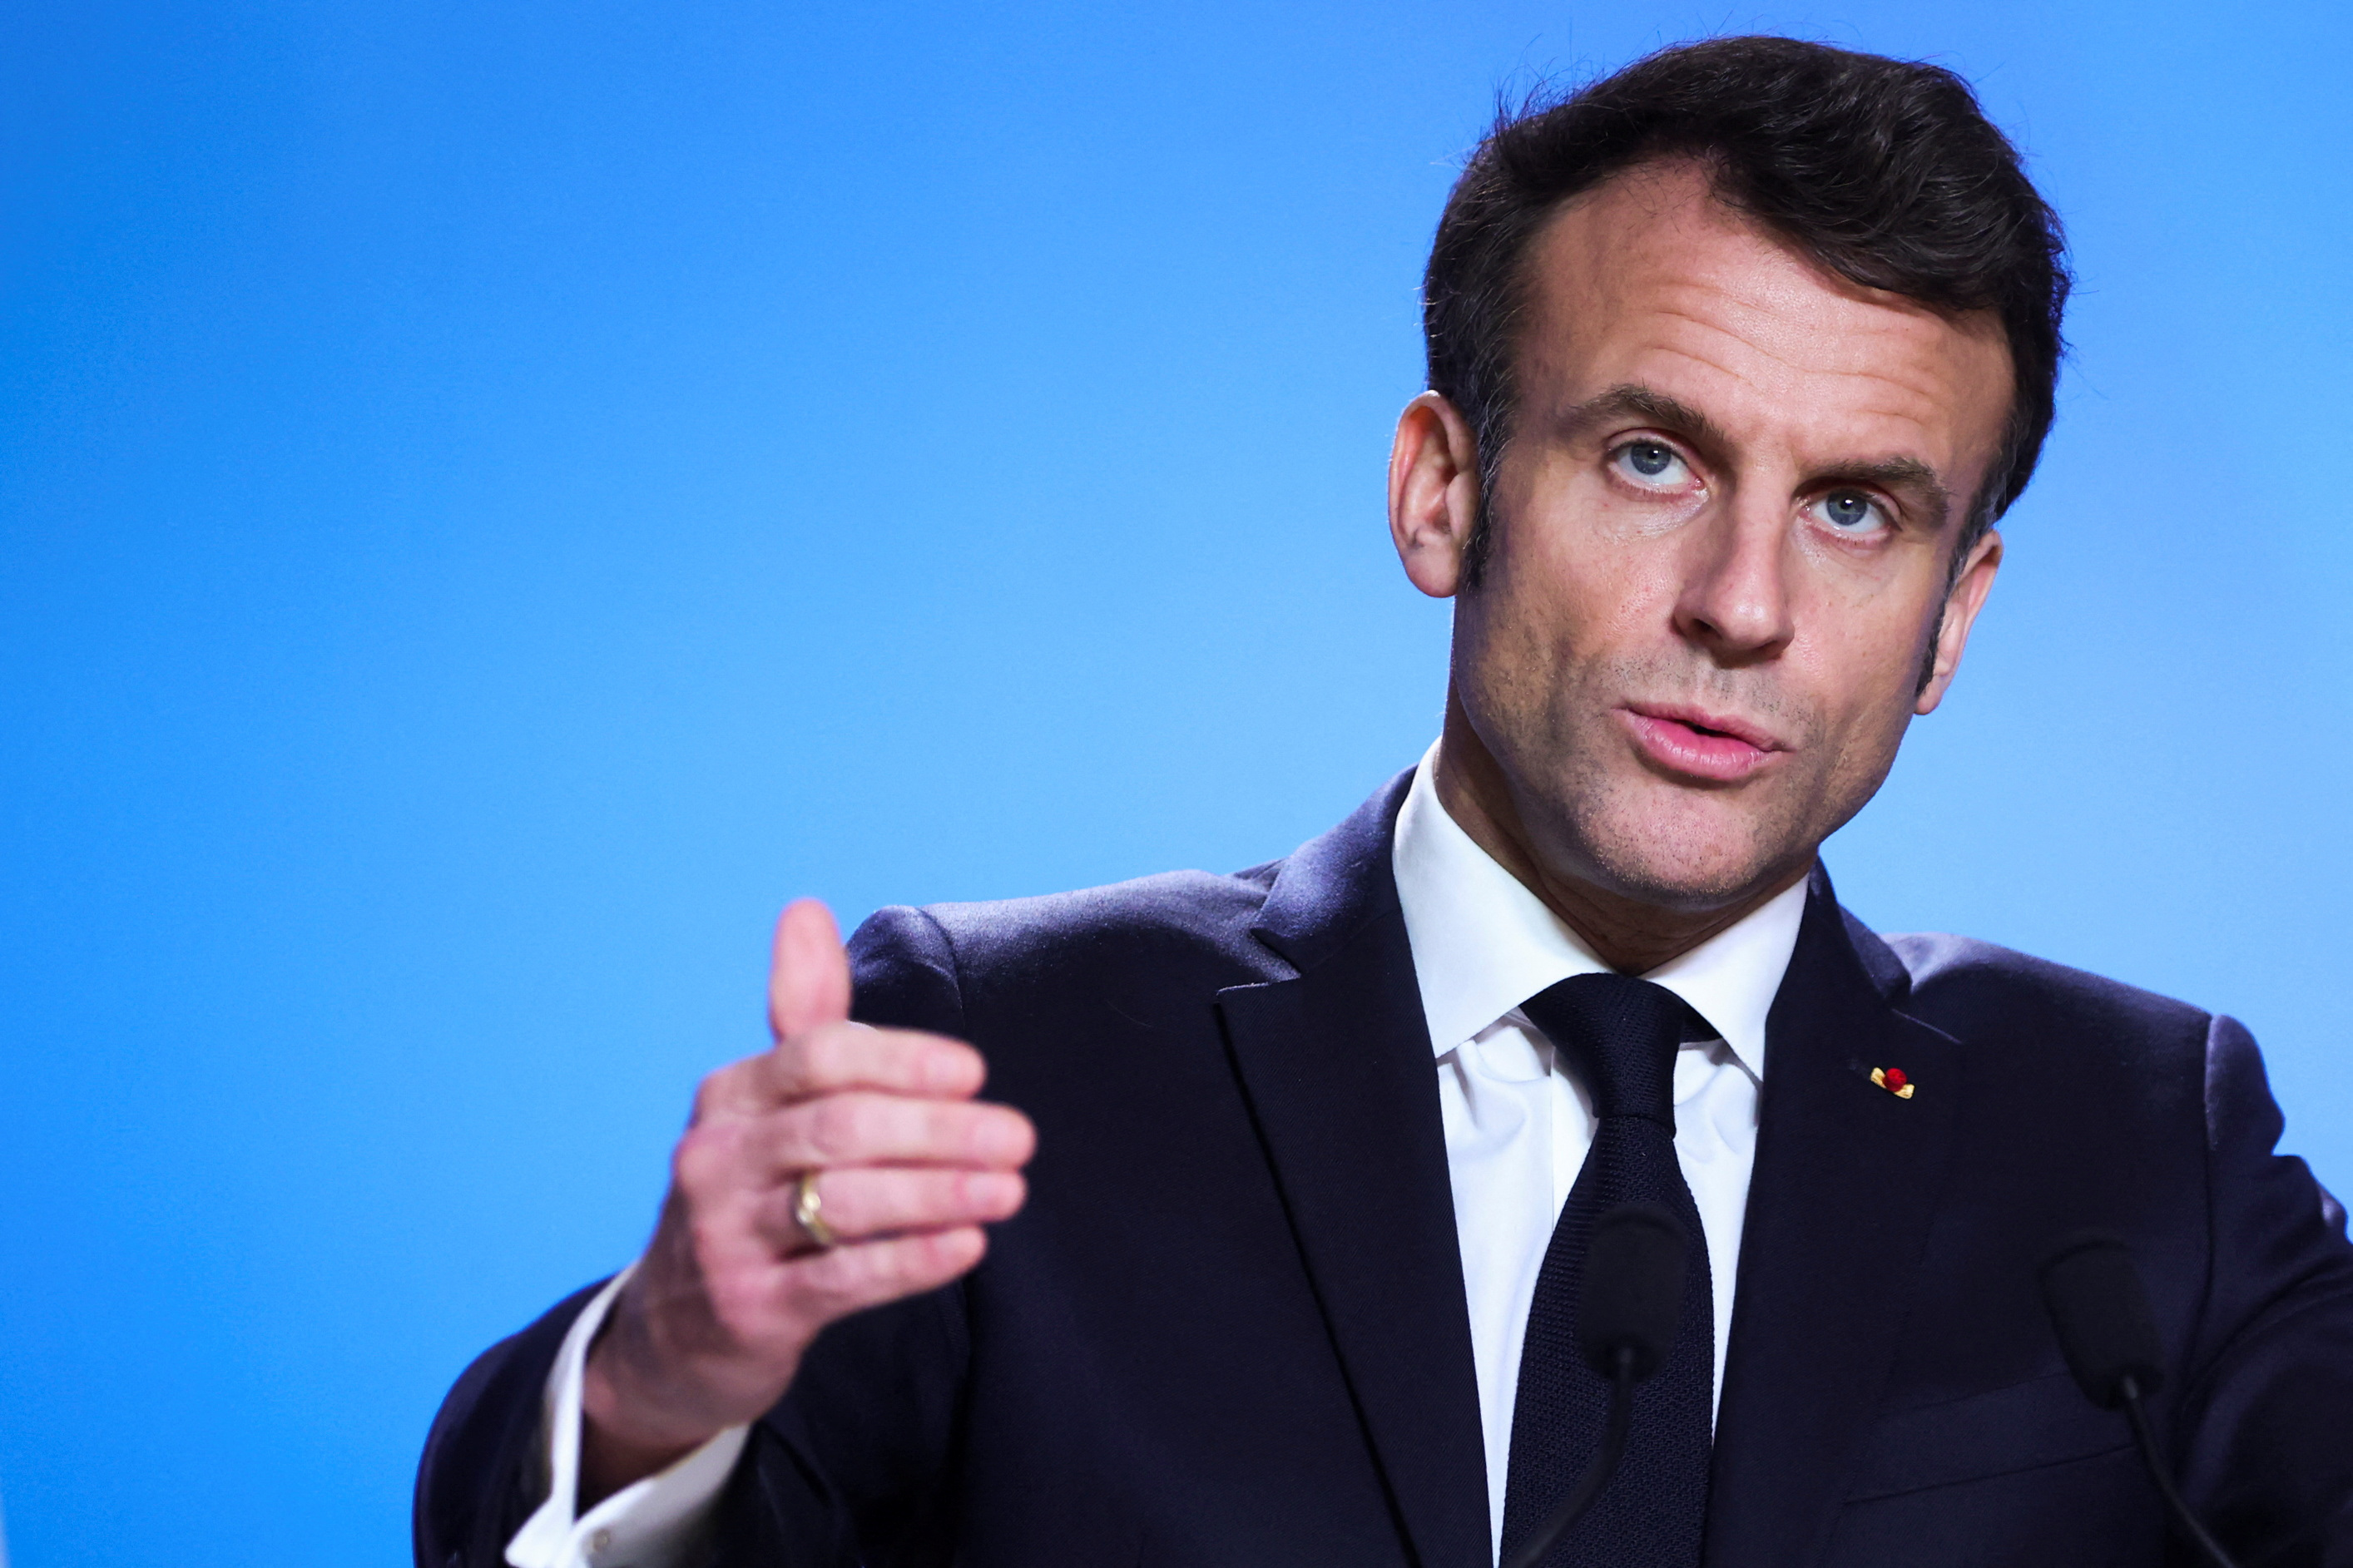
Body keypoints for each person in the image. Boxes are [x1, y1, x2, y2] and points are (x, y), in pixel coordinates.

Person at [414, 35, 2353, 1568]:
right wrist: (659, 1387)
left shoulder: (2135, 1148)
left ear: (1951, 620)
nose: (1745, 608)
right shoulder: (1003, 1063)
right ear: (1444, 490)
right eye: (1656, 457)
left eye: (1858, 509)